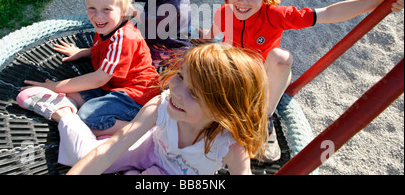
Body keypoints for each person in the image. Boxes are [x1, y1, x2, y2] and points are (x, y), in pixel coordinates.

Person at [200, 0, 405, 161]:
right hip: (238, 76)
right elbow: (210, 35)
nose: (242, 1)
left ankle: (265, 117)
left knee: (281, 57)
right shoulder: (223, 12)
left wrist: (379, 1)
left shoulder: (275, 15)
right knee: (215, 56)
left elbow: (328, 13)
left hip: (265, 78)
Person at [17, 43, 269, 175]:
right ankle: (64, 111)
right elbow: (108, 152)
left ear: (223, 111)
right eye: (180, 76)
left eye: (193, 93)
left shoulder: (230, 146)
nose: (176, 91)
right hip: (149, 149)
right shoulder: (161, 105)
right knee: (82, 157)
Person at [21, 0, 160, 137]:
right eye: (92, 8)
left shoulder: (124, 37)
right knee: (70, 94)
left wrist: (53, 86)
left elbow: (99, 78)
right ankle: (66, 111)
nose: (98, 16)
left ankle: (144, 128)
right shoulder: (108, 26)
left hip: (137, 95)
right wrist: (84, 52)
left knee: (88, 117)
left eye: (106, 9)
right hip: (113, 86)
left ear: (124, 10)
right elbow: (107, 53)